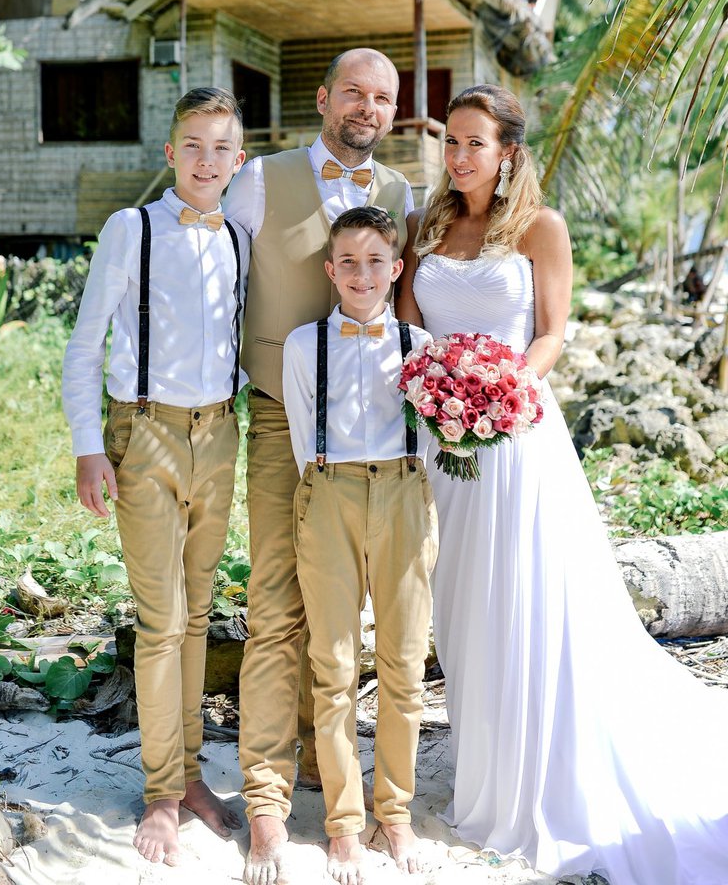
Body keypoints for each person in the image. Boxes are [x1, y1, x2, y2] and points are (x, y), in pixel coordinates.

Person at [396, 83, 728, 885]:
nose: (460, 155)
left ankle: (534, 772)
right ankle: (484, 758)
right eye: (452, 141)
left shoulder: (539, 227)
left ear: (508, 151)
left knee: (521, 594)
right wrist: (439, 384)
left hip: (515, 434)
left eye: (476, 142)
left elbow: (551, 333)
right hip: (443, 434)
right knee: (464, 597)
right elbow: (408, 318)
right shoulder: (429, 224)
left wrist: (501, 388)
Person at [223, 48, 414, 884]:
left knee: (349, 629)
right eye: (354, 93)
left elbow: (415, 308)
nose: (367, 108)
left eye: (383, 97)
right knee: (276, 610)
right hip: (276, 419)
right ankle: (266, 805)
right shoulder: (262, 179)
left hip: (376, 445)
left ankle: (322, 766)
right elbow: (204, 274)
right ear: (323, 98)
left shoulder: (402, 196)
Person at [62, 87, 249, 867]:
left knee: (199, 616)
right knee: (161, 617)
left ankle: (193, 775)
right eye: (194, 146)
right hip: (146, 435)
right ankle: (162, 793)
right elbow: (85, 342)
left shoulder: (239, 234)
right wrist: (87, 444)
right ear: (171, 154)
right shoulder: (129, 227)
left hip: (220, 433)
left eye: (222, 148)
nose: (208, 160)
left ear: (239, 162)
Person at [282, 207, 437, 884]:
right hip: (329, 491)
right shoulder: (300, 346)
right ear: (330, 270)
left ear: (397, 269)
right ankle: (343, 824)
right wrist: (328, 492)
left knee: (403, 664)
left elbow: (433, 434)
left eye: (376, 262)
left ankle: (394, 811)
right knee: (334, 665)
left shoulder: (421, 344)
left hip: (404, 490)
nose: (362, 274)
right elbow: (297, 433)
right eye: (349, 262)